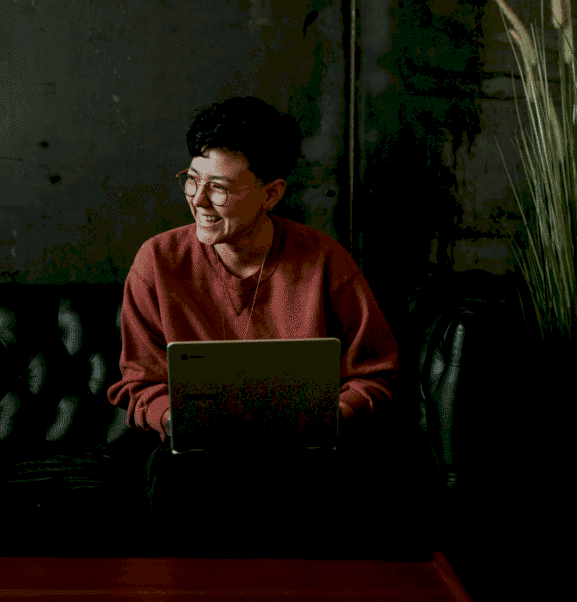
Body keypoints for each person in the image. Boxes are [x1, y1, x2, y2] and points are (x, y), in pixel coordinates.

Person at [106, 96, 400, 558]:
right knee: (174, 478)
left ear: (272, 194)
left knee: (324, 486)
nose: (199, 201)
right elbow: (139, 381)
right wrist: (172, 418)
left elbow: (375, 374)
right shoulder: (158, 261)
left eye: (219, 188)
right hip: (196, 456)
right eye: (192, 181)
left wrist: (328, 418)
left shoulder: (324, 260)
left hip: (305, 453)